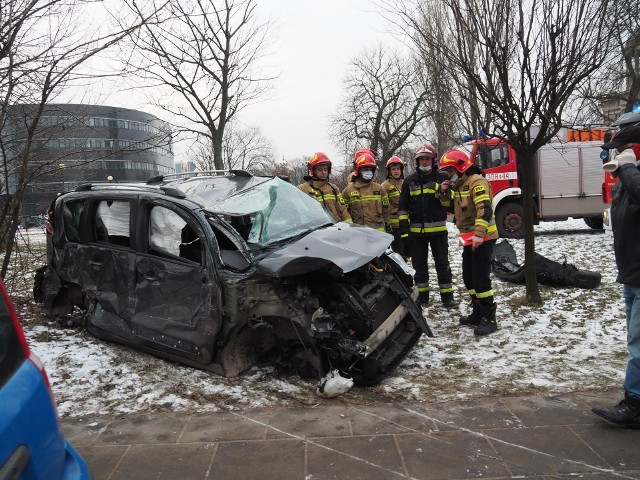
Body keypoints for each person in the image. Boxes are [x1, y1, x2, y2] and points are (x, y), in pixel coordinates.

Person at [592, 125, 640, 427]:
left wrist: (627, 167)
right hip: (631, 274)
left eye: (622, 148)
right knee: (635, 340)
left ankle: (634, 403)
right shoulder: (628, 178)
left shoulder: (632, 176)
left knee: (638, 342)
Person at [439, 149, 499, 335]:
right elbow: (450, 209)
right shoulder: (459, 187)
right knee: (468, 277)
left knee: (481, 279)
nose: (449, 175)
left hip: (483, 237)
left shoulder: (477, 183)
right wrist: (444, 193)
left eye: (450, 170)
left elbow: (484, 210)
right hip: (469, 238)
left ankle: (489, 317)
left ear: (461, 167)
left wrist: (479, 234)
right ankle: (478, 312)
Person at [398, 143, 455, 307]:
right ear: (417, 162)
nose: (424, 162)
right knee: (419, 266)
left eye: (427, 159)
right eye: (421, 159)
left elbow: (450, 206)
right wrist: (404, 232)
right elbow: (402, 209)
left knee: (442, 264)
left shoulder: (442, 178)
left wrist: (443, 191)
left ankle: (447, 296)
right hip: (416, 234)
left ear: (433, 160)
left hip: (438, 232)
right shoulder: (409, 181)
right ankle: (422, 297)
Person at [298, 152, 352, 223]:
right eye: (320, 170)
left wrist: (348, 227)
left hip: (336, 228)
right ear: (313, 171)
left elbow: (343, 210)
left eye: (325, 169)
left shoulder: (334, 188)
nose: (323, 172)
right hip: (316, 230)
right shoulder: (303, 189)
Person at [341, 152, 389, 230]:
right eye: (366, 169)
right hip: (358, 233)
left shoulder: (380, 189)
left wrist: (387, 224)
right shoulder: (348, 191)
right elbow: (343, 211)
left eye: (370, 169)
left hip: (379, 234)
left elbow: (386, 210)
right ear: (358, 170)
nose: (369, 172)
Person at [381, 156, 406, 255]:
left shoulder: (405, 183)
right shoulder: (385, 186)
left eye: (398, 169)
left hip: (406, 224)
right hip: (393, 226)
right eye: (393, 169)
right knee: (397, 251)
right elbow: (384, 206)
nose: (396, 171)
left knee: (407, 250)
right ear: (389, 171)